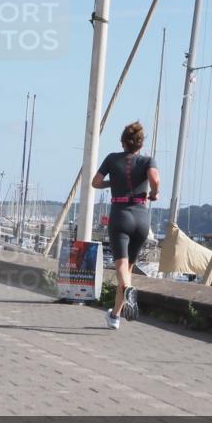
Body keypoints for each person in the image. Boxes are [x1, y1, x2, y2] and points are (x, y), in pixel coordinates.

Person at [91, 121, 160, 330]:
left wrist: (113, 182)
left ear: (123, 142)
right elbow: (155, 179)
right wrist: (154, 194)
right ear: (140, 144)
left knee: (121, 266)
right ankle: (114, 316)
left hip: (120, 215)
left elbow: (95, 182)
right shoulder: (148, 160)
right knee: (128, 268)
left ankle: (129, 289)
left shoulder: (112, 159)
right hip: (141, 216)